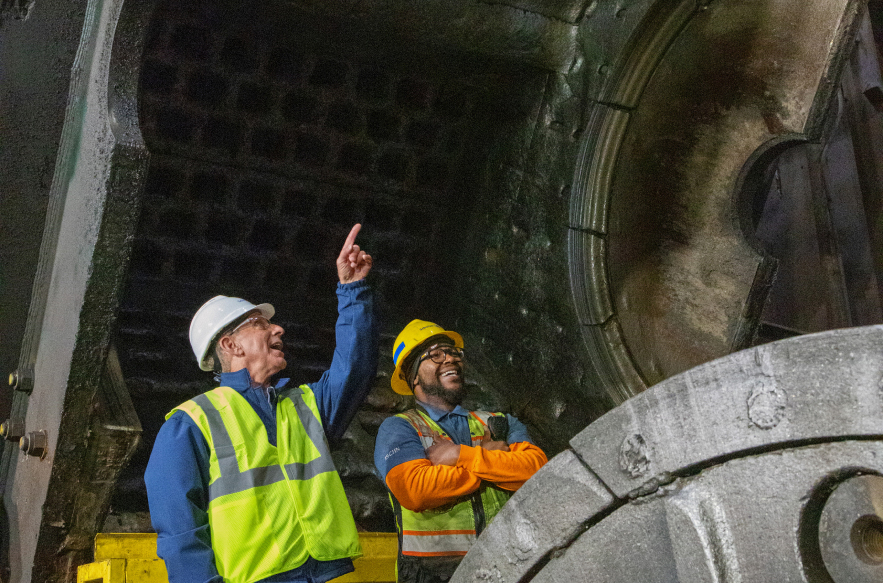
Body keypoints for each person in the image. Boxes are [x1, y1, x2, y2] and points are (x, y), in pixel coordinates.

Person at [145, 224, 378, 583]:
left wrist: (352, 290)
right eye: (259, 324)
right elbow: (180, 531)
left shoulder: (306, 404)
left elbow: (356, 366)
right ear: (230, 345)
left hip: (320, 574)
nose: (278, 329)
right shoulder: (190, 423)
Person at [374, 320, 548, 582]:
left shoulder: (498, 422)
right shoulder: (400, 428)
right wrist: (493, 463)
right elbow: (416, 490)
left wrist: (460, 456)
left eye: (454, 352)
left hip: (507, 565)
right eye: (435, 354)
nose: (450, 359)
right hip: (433, 573)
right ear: (413, 375)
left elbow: (537, 472)